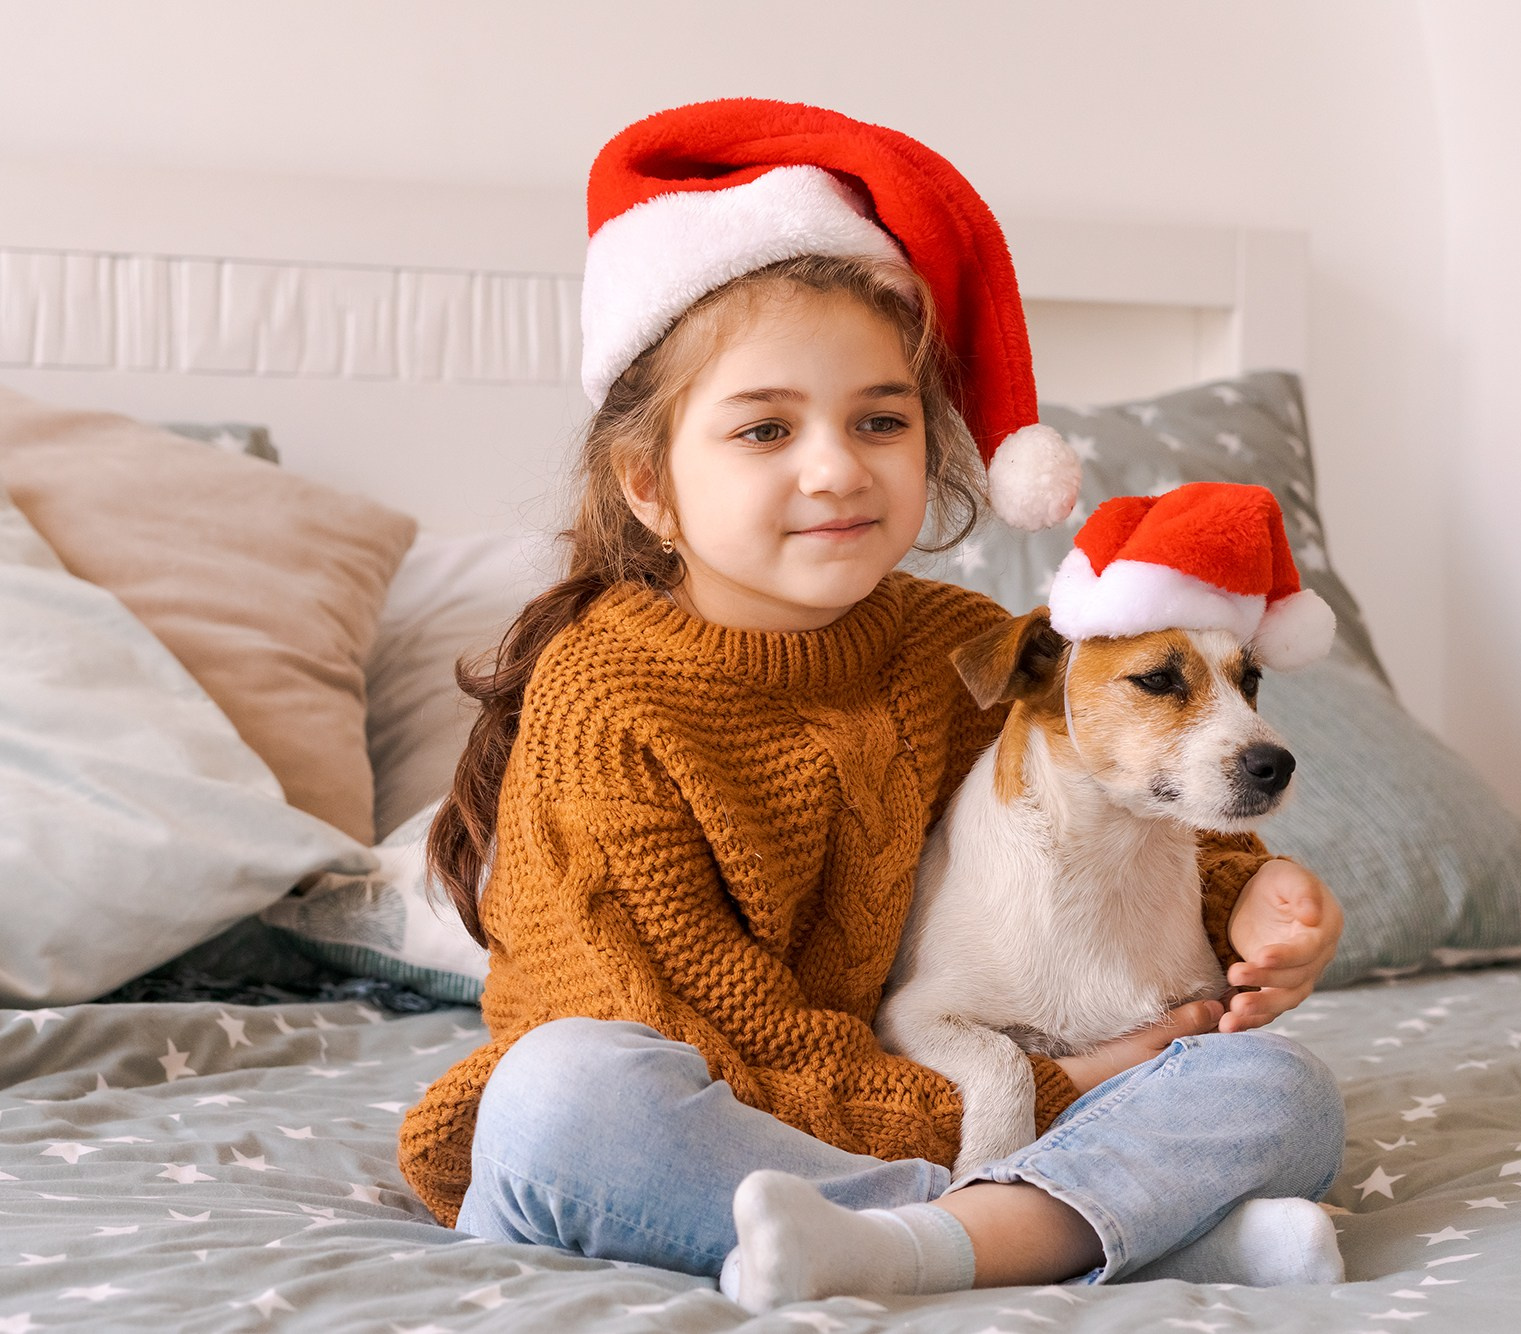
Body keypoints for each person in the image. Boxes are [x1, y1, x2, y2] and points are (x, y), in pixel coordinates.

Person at [396, 99, 1349, 1313]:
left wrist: (1245, 898)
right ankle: (1054, 1226)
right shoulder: (607, 700)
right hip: (720, 1115)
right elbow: (716, 1040)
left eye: (880, 420)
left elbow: (1109, 783)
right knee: (562, 1094)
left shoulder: (954, 645)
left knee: (1280, 1090)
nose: (836, 466)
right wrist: (1055, 1091)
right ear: (649, 485)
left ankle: (940, 1236)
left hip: (941, 1103)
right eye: (764, 427)